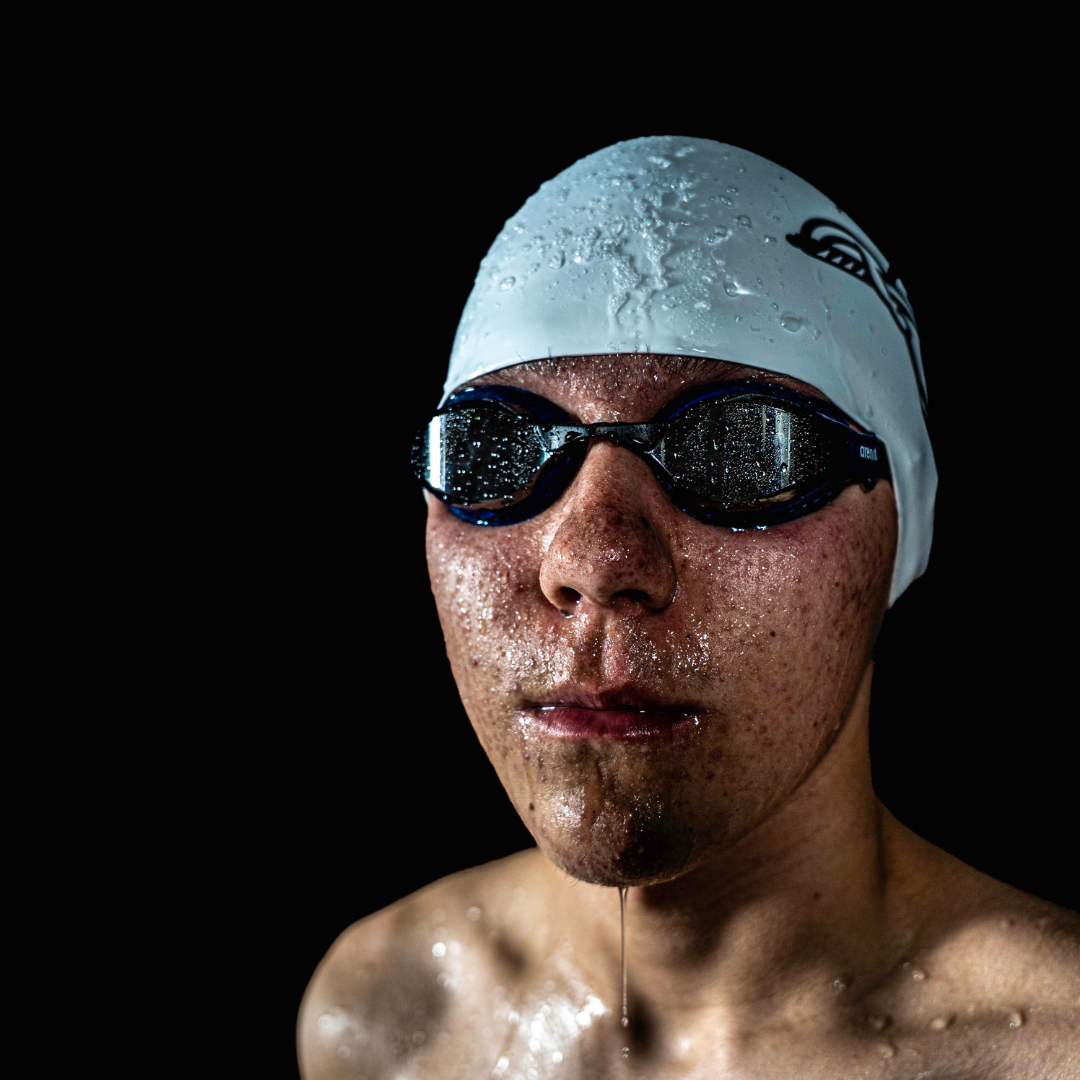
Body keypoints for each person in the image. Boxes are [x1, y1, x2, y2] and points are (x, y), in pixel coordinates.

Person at [298, 137, 1079, 1078]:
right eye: (497, 450)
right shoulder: (384, 1022)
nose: (593, 561)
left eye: (746, 451)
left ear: (898, 534)